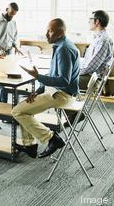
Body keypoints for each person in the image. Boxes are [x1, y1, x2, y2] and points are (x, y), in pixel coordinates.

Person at [14, 18, 79, 159]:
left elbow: (64, 80)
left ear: (60, 33)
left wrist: (38, 77)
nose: (46, 34)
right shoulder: (62, 45)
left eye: (50, 31)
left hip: (62, 95)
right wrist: (37, 91)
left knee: (18, 111)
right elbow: (53, 74)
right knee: (26, 108)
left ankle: (52, 139)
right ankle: (29, 146)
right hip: (56, 91)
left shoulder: (63, 49)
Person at [0, 2, 23, 103]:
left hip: (9, 52)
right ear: (6, 9)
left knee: (6, 79)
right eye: (11, 13)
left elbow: (13, 38)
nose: (12, 16)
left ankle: (3, 103)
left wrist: (16, 47)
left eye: (14, 14)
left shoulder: (13, 22)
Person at [79, 10, 114, 89]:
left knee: (62, 81)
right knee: (57, 78)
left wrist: (74, 73)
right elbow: (87, 61)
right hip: (89, 75)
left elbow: (92, 66)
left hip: (93, 79)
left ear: (97, 21)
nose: (88, 21)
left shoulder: (103, 40)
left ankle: (61, 100)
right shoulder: (97, 38)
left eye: (90, 19)